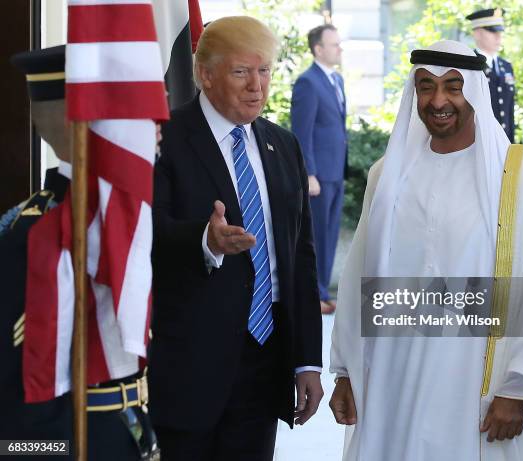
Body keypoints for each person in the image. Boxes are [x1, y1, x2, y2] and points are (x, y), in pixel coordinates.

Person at [329, 40, 523, 460]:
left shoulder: (515, 173)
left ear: (474, 91)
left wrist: (519, 386)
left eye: (453, 86)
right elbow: (359, 281)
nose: (438, 100)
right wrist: (347, 372)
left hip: (475, 378)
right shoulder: (387, 176)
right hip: (393, 377)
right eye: (426, 86)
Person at [149, 16, 323, 461]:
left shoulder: (283, 145)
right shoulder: (163, 138)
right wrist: (205, 241)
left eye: (264, 71)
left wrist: (306, 360)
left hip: (265, 366)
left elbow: (300, 256)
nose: (256, 86)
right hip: (192, 367)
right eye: (241, 72)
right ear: (205, 75)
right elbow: (145, 234)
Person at [1, 45, 156, 461]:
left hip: (130, 425)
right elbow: (24, 378)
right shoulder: (36, 231)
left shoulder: (126, 215)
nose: (155, 126)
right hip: (75, 436)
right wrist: (37, 452)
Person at [291, 24, 347, 314]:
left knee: (330, 236)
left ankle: (323, 291)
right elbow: (302, 132)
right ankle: (314, 293)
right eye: (334, 44)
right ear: (318, 49)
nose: (339, 48)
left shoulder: (336, 80)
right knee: (317, 237)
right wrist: (309, 172)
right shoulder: (307, 83)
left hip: (336, 173)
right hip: (319, 176)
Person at [467, 7, 515, 142]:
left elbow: (509, 112)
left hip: (504, 144)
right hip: (478, 143)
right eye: (492, 31)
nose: (498, 36)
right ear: (477, 34)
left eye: (500, 31)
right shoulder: (468, 65)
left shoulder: (506, 67)